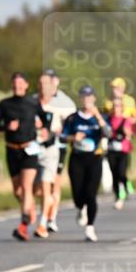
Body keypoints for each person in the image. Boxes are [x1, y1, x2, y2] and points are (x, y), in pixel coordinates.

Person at [0, 72, 45, 241]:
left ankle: (23, 226)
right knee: (18, 191)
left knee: (26, 187)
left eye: (20, 83)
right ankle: (29, 209)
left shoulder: (33, 103)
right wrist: (7, 127)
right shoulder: (5, 104)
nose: (17, 86)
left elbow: (45, 119)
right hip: (12, 150)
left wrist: (42, 125)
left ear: (26, 85)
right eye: (15, 83)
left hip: (29, 149)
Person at [62, 86, 111, 241]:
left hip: (94, 158)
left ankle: (90, 227)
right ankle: (80, 207)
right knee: (77, 193)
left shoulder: (100, 117)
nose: (87, 100)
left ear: (94, 98)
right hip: (77, 158)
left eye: (89, 97)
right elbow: (63, 136)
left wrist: (98, 117)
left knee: (91, 193)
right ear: (80, 99)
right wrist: (73, 138)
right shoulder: (72, 118)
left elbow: (108, 133)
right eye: (84, 96)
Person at [41, 69, 77, 233]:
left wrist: (63, 130)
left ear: (57, 81)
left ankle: (51, 217)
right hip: (40, 146)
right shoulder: (37, 99)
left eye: (52, 80)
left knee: (55, 182)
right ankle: (45, 210)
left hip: (59, 146)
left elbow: (73, 124)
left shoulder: (66, 102)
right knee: (42, 184)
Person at [33, 73, 63, 238]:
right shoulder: (32, 102)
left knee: (46, 186)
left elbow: (64, 127)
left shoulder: (58, 105)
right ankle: (48, 204)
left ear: (52, 87)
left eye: (46, 84)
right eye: (40, 83)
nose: (43, 87)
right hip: (32, 149)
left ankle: (43, 223)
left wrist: (54, 131)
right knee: (33, 190)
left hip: (51, 150)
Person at [106, 96, 135, 210]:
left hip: (123, 150)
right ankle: (118, 196)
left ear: (122, 107)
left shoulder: (126, 120)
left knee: (121, 172)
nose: (116, 108)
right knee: (114, 174)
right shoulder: (108, 119)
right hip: (111, 150)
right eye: (114, 106)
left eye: (118, 105)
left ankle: (126, 183)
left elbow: (130, 134)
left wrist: (127, 132)